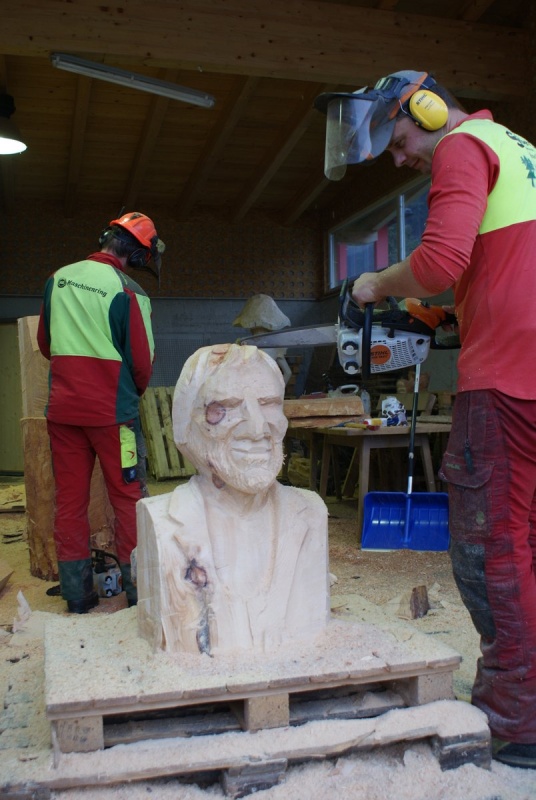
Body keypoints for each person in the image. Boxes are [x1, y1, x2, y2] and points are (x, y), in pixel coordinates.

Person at [314, 70, 536, 768]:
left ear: (429, 108)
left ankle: (517, 719)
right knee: (528, 544)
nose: (399, 156)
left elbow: (439, 260)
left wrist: (374, 283)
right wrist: (443, 311)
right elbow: (502, 266)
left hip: (507, 380)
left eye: (399, 138)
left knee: (491, 548)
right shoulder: (518, 148)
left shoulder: (463, 146)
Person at [135, 343, 329, 656]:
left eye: (268, 404)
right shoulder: (161, 521)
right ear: (188, 424)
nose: (257, 428)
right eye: (227, 406)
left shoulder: (311, 512)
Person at [37, 212, 164, 613]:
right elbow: (141, 363)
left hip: (64, 412)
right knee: (127, 498)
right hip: (114, 417)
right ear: (139, 254)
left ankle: (77, 596)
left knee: (70, 502)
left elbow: (46, 344)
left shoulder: (57, 279)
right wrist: (128, 395)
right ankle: (139, 594)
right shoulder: (130, 291)